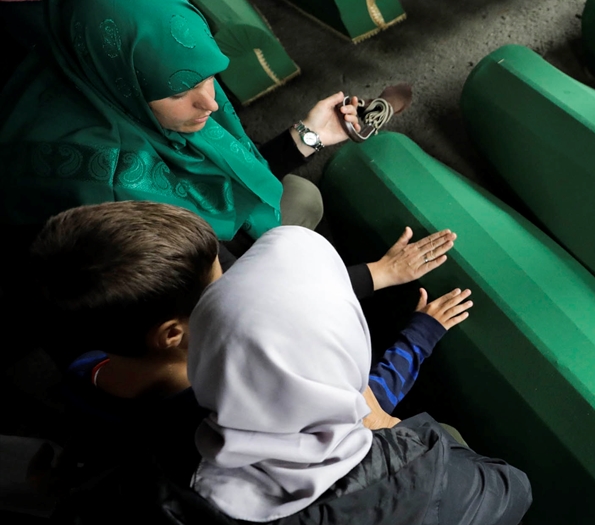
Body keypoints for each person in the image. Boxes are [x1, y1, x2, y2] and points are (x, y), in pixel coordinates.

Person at [40, 225, 529, 525]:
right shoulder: (418, 478)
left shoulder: (122, 478)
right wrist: (393, 411)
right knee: (447, 458)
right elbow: (510, 488)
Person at [29, 201, 459, 485]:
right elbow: (353, 403)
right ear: (171, 334)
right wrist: (419, 337)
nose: (239, 284)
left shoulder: (87, 365)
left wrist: (376, 274)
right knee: (448, 436)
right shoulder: (239, 406)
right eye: (224, 288)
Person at [0, 0, 371, 246]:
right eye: (181, 92)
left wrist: (309, 135)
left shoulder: (99, 71)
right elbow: (199, 274)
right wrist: (372, 276)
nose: (211, 102)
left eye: (209, 77)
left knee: (300, 195)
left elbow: (221, 161)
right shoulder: (108, 184)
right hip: (152, 274)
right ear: (125, 86)